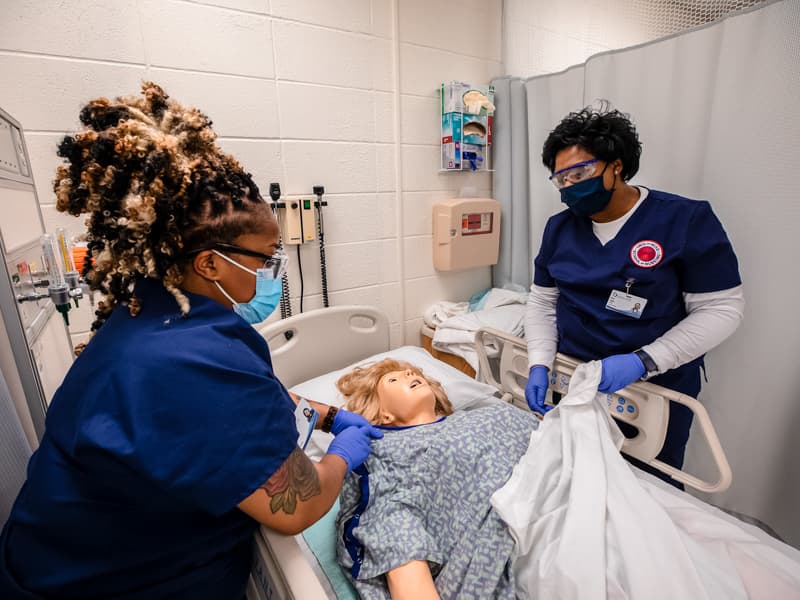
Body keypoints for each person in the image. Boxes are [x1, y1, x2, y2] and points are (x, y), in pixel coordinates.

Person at [0, 83, 382, 600]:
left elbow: (234, 407)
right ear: (210, 263)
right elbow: (301, 505)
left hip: (53, 559)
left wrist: (334, 415)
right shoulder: (193, 358)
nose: (273, 272)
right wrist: (342, 453)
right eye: (265, 260)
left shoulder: (153, 314)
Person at [524, 104, 744, 484]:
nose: (570, 187)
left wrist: (644, 360)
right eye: (561, 180)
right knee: (575, 477)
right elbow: (544, 302)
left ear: (617, 165)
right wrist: (539, 362)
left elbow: (722, 309)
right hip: (574, 377)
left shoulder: (684, 220)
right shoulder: (559, 229)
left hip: (655, 386)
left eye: (581, 173)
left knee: (648, 486)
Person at [334, 359, 537, 599]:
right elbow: (396, 537)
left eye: (411, 372)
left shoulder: (489, 413)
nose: (409, 372)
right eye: (393, 379)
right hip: (528, 530)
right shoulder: (389, 461)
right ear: (384, 415)